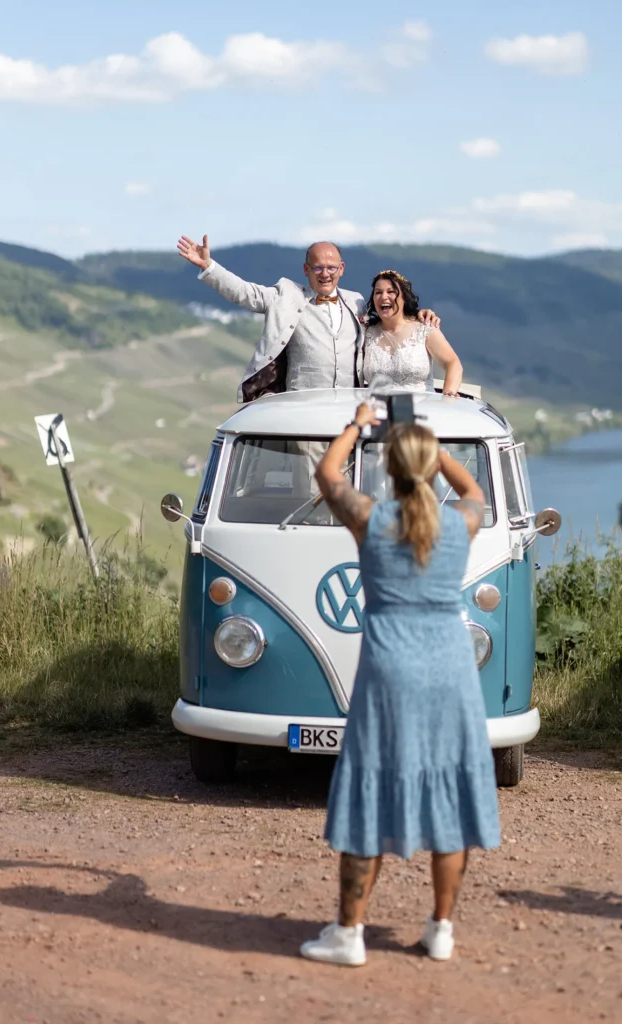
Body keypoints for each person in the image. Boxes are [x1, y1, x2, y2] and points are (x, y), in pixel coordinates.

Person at [299, 402, 500, 967]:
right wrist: (434, 452)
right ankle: (440, 928)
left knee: (371, 786)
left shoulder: (371, 518)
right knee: (451, 791)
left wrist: (359, 423)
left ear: (389, 468)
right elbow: (476, 492)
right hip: (450, 669)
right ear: (430, 467)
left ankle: (348, 934)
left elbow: (328, 475)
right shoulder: (459, 522)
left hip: (390, 670)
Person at [176, 236, 441, 403]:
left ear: (341, 269)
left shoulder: (357, 301)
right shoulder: (287, 296)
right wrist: (209, 268)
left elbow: (388, 317)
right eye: (318, 267)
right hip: (303, 412)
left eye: (331, 267)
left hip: (352, 413)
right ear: (306, 269)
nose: (325, 273)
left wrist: (418, 316)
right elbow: (246, 293)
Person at [363, 270, 462, 395]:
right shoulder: (366, 333)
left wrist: (448, 394)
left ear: (404, 297)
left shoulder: (424, 329)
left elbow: (452, 362)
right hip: (378, 410)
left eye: (391, 291)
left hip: (421, 410)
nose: (384, 297)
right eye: (378, 292)